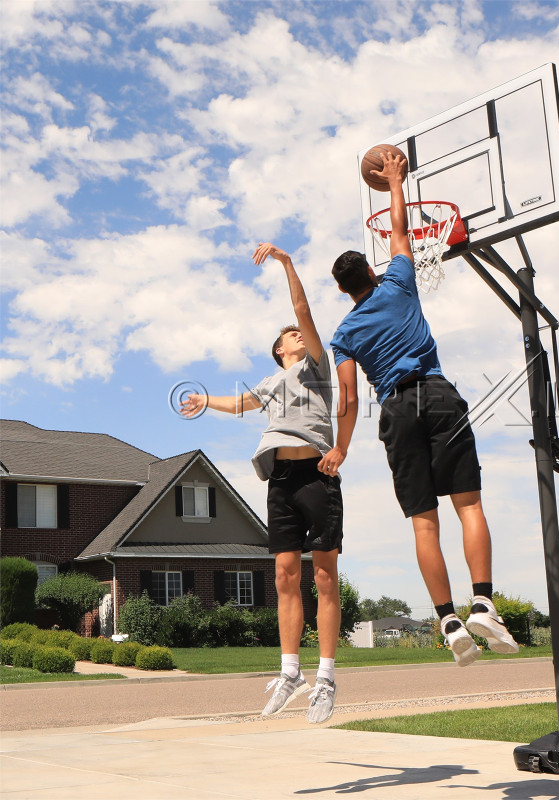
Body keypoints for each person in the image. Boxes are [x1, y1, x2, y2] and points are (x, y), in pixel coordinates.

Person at [319, 152, 518, 666]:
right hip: (437, 393)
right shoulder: (399, 282)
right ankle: (483, 603)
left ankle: (449, 620)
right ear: (371, 268)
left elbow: (347, 398)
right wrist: (395, 183)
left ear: (343, 291)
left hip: (395, 410)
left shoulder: (343, 334)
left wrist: (341, 448)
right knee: (468, 506)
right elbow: (399, 231)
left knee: (423, 524)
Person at [180, 243, 341, 723]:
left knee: (325, 577)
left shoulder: (315, 366)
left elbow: (302, 309)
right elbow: (240, 405)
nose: (297, 333)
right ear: (278, 351)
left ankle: (326, 678)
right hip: (281, 479)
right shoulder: (272, 383)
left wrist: (287, 264)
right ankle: (290, 672)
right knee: (284, 576)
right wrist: (206, 400)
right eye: (289, 335)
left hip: (317, 474)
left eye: (298, 333)